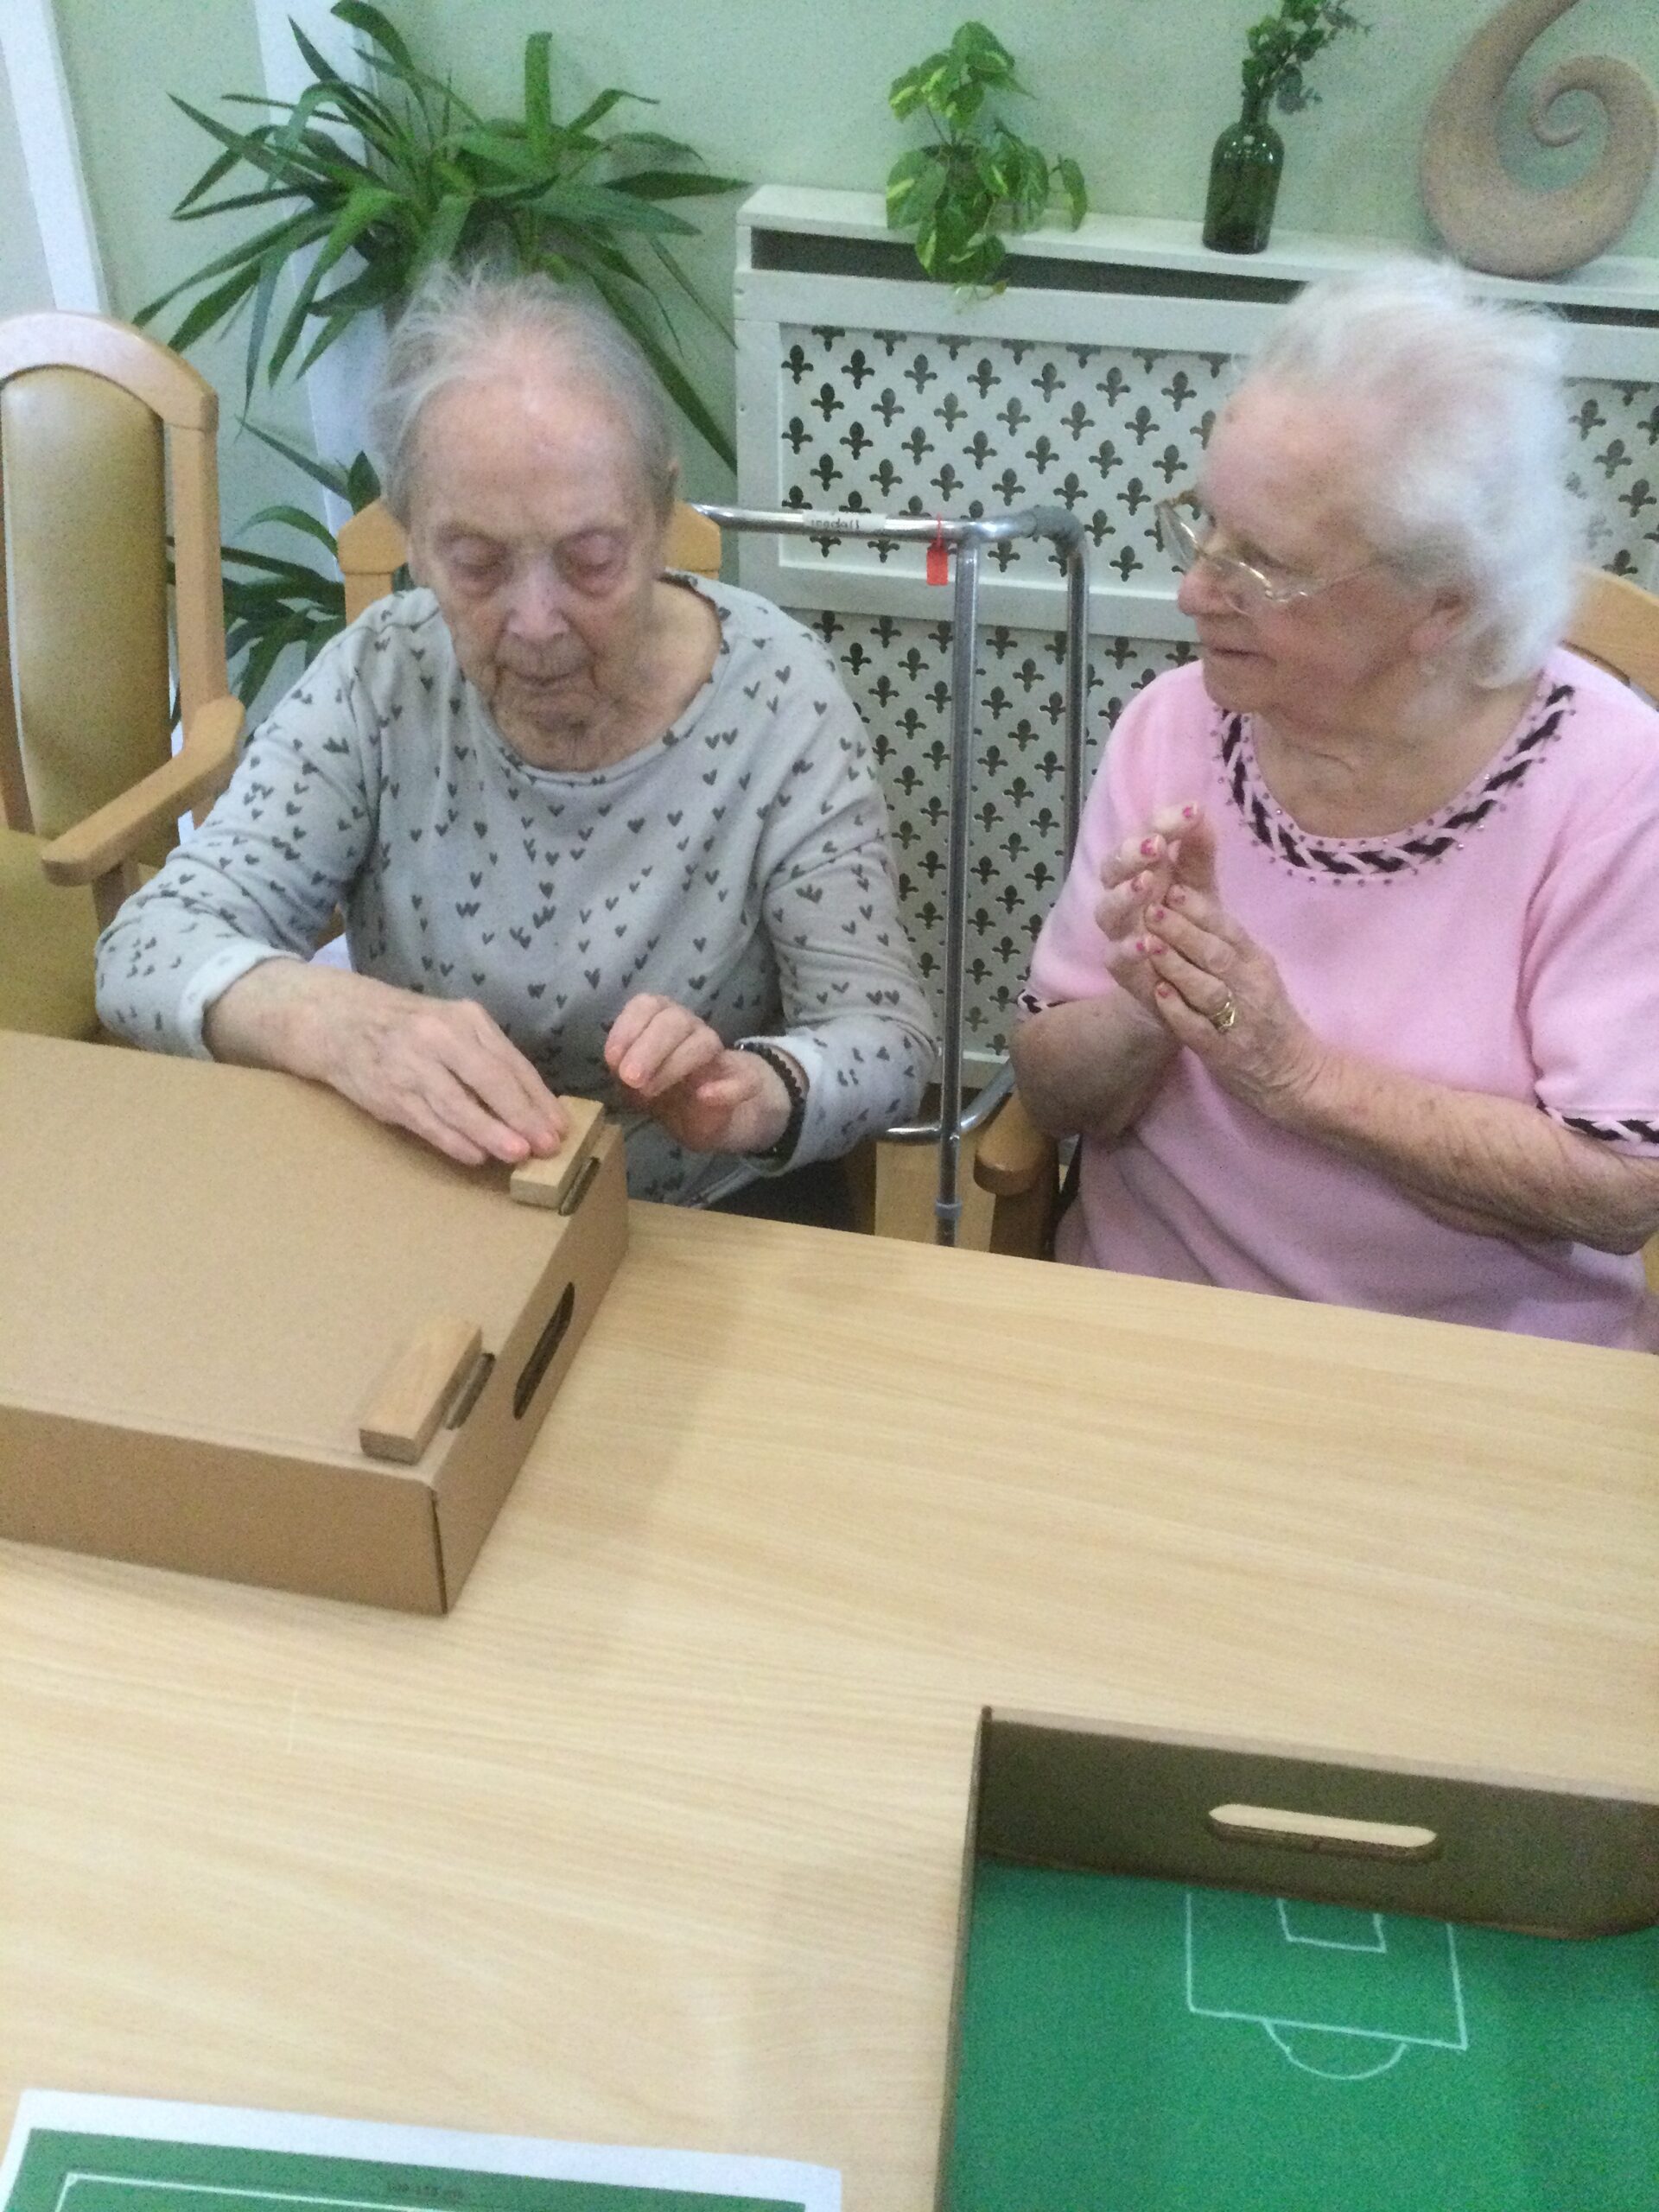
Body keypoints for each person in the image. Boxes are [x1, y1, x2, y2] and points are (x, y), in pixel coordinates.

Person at [97, 268, 935, 1213]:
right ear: (411, 536)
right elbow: (144, 947)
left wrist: (761, 1092)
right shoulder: (381, 677)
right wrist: (328, 1019)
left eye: (589, 560)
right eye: (477, 562)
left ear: (661, 518)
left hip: (688, 1211)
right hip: (432, 1192)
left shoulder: (780, 695)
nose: (535, 623)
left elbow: (888, 1037)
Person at [1014, 260, 1659, 1348]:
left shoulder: (1615, 789)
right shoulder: (1173, 727)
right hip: (1151, 1325)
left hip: (1469, 1370)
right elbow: (1049, 1089)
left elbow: (1619, 1185)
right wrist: (1149, 1005)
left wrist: (1290, 1069)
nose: (1192, 591)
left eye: (1261, 565)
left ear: (1441, 606)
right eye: (1204, 527)